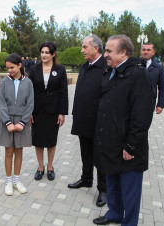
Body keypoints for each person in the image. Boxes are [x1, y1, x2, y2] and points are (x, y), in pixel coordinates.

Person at [93, 35, 154, 225]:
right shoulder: (112, 71)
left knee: (129, 190)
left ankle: (129, 222)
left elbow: (142, 115)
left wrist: (131, 146)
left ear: (124, 52)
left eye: (110, 51)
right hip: (111, 142)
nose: (105, 55)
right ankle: (114, 213)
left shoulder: (138, 75)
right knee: (113, 185)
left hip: (128, 147)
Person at [68, 34, 107, 207]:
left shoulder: (106, 67)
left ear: (96, 48)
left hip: (98, 121)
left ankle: (103, 189)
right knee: (85, 152)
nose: (82, 50)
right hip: (82, 118)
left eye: (85, 47)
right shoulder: (85, 67)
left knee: (100, 156)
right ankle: (86, 179)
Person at [0, 53, 34, 196]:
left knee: (19, 151)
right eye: (8, 68)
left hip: (22, 120)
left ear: (20, 65)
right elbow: (1, 103)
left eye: (12, 67)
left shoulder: (28, 82)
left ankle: (17, 180)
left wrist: (23, 122)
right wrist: (8, 122)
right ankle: (8, 181)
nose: (9, 70)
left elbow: (30, 104)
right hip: (7, 121)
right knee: (8, 151)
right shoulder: (4, 82)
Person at [28, 41, 68, 181]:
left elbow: (63, 93)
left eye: (47, 52)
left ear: (53, 54)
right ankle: (40, 167)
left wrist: (62, 112)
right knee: (38, 140)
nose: (44, 55)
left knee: (51, 140)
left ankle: (50, 167)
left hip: (53, 111)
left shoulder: (60, 69)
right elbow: (29, 91)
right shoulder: (34, 69)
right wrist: (29, 113)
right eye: (42, 52)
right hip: (37, 111)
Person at [140, 43, 164, 114]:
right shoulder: (133, 65)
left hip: (149, 103)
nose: (145, 52)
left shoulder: (158, 68)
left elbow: (162, 87)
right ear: (141, 51)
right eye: (144, 50)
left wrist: (160, 104)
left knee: (145, 124)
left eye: (148, 50)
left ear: (153, 52)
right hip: (132, 103)